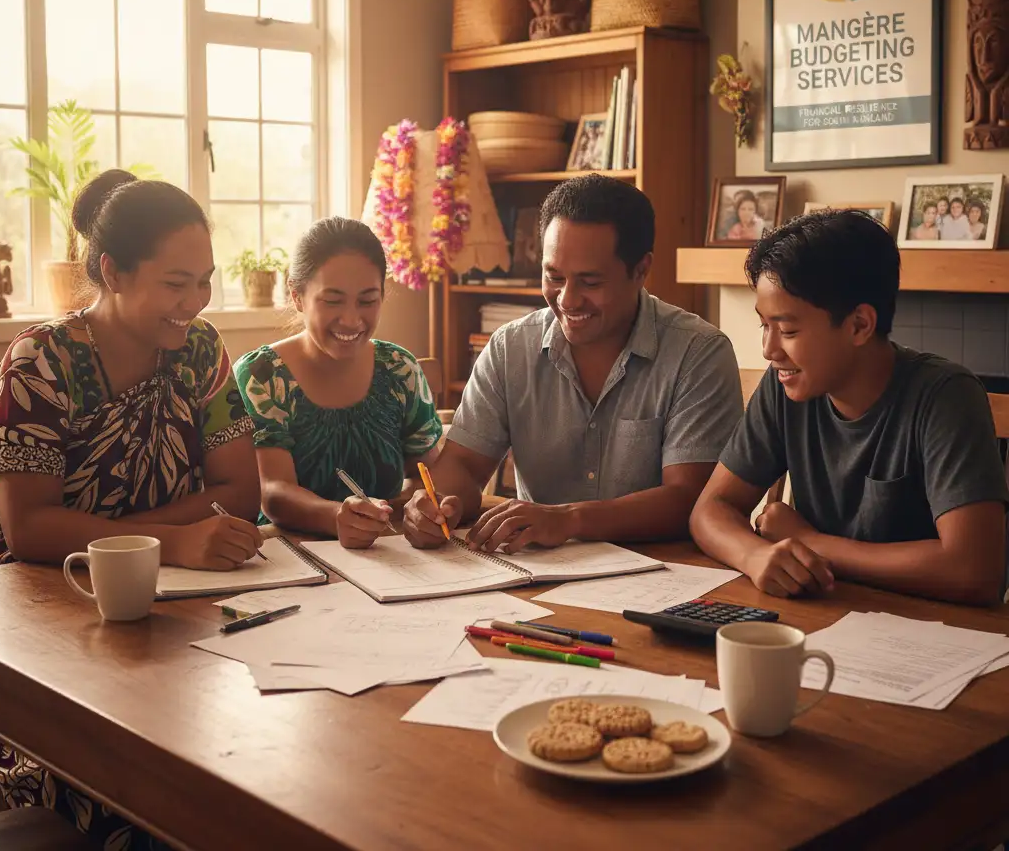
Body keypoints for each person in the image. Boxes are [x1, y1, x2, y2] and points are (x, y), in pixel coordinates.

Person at [0, 169, 262, 848]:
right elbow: (31, 531)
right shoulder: (38, 365)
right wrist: (178, 538)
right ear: (112, 269)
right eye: (176, 283)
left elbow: (242, 493)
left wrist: (169, 541)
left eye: (205, 280)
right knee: (134, 801)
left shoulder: (201, 353)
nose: (196, 301)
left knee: (231, 768)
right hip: (45, 607)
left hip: (176, 602)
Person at [397, 174, 743, 553]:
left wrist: (568, 519)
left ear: (641, 271)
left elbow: (689, 499)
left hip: (668, 573)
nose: (568, 300)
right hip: (535, 574)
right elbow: (462, 466)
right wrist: (436, 505)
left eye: (590, 282)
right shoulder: (510, 348)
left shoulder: (699, 353)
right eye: (554, 276)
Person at [690, 209, 1008, 606]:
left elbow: (974, 571)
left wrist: (810, 543)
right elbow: (709, 510)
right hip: (823, 614)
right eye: (764, 326)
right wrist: (754, 556)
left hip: (931, 633)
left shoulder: (945, 396)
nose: (769, 350)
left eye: (787, 330)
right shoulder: (786, 385)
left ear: (859, 325)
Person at [234, 218, 442, 548]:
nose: (351, 319)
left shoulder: (400, 369)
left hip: (389, 556)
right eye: (332, 301)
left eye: (367, 300)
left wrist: (425, 507)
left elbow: (429, 477)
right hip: (294, 558)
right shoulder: (264, 375)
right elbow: (273, 491)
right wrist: (335, 517)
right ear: (297, 296)